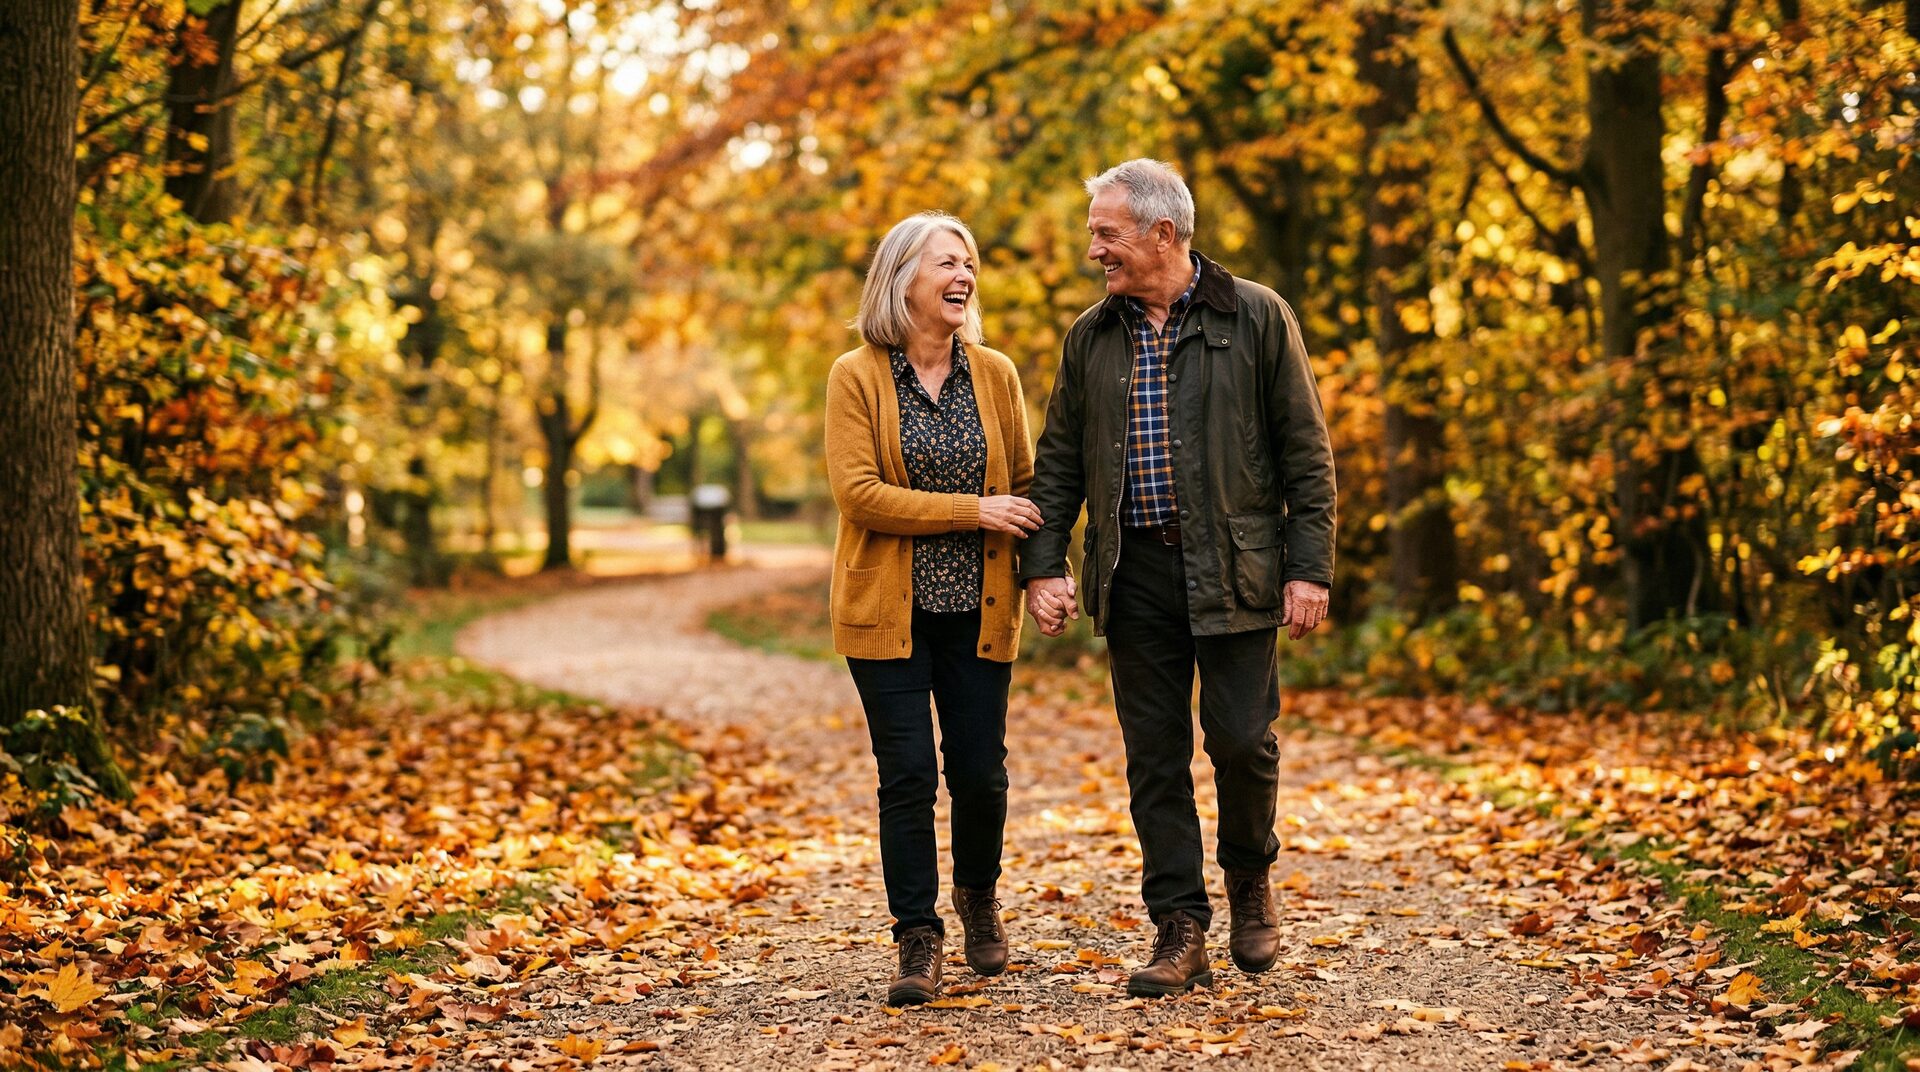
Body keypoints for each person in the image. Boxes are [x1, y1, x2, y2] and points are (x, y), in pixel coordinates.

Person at [1020, 160, 1336, 997]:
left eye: (1106, 232)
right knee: (1154, 758)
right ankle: (1180, 928)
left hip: (1235, 566)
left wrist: (1310, 568)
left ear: (1163, 233)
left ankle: (1250, 883)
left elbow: (1306, 451)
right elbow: (1058, 464)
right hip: (1133, 572)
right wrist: (1044, 564)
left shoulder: (1257, 315)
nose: (1095, 249)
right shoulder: (1091, 336)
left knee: (1240, 740)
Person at [824, 211, 1042, 1006]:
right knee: (908, 775)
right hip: (888, 611)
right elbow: (859, 495)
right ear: (902, 276)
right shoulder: (856, 375)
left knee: (980, 775)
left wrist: (1046, 572)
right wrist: (971, 511)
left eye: (971, 264)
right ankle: (917, 938)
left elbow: (1023, 486)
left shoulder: (997, 374)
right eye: (947, 262)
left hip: (978, 610)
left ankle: (978, 897)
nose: (964, 276)